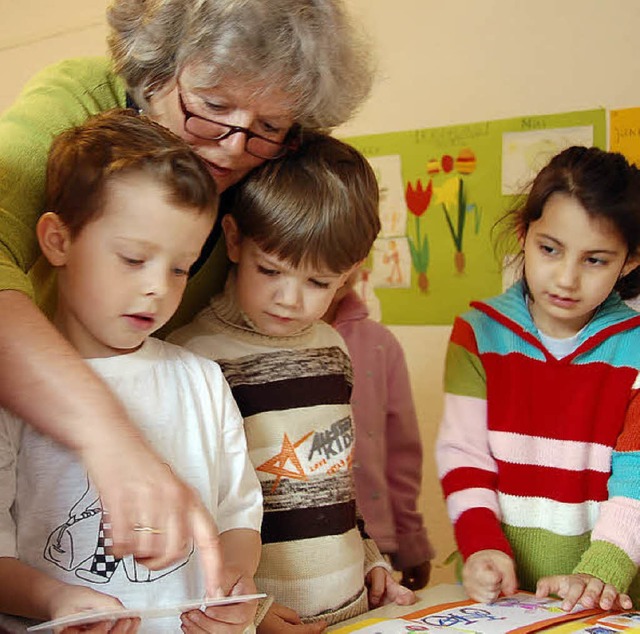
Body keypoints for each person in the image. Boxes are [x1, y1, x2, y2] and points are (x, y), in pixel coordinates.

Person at [0, 0, 374, 586]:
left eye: (269, 128)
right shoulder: (72, 109)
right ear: (152, 71)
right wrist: (109, 439)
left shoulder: (266, 160)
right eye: (212, 107)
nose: (231, 148)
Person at [0, 110, 263, 633]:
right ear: (58, 241)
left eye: (180, 268)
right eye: (132, 258)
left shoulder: (203, 381)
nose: (158, 289)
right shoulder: (14, 390)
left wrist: (233, 584)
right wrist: (56, 600)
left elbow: (238, 516)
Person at [169, 132, 417, 632]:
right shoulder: (194, 359)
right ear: (235, 240)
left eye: (318, 282)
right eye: (272, 270)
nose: (291, 299)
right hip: (262, 617)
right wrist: (251, 612)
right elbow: (193, 517)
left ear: (349, 274)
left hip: (351, 607)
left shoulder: (333, 348)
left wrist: (372, 560)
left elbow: (335, 479)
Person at [435, 146, 640, 608]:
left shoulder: (635, 346)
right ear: (523, 235)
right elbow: (464, 453)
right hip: (501, 598)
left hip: (601, 592)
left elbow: (637, 477)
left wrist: (599, 574)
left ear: (629, 261)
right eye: (550, 249)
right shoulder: (479, 332)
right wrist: (481, 545)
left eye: (595, 260)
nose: (566, 278)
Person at [322, 271, 435, 591]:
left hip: (374, 546)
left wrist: (410, 538)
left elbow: (402, 454)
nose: (340, 269)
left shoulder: (380, 344)